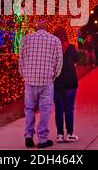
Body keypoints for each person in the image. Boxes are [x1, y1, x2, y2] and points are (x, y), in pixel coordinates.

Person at [18, 21, 63, 149]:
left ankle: (28, 136)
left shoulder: (26, 39)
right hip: (46, 80)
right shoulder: (54, 40)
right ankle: (42, 139)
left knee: (29, 108)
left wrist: (24, 75)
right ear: (47, 28)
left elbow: (21, 59)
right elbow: (59, 61)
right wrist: (53, 76)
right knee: (45, 110)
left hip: (30, 80)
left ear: (35, 28)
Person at [53, 27, 79, 143]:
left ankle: (59, 134)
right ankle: (70, 133)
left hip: (57, 82)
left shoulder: (52, 48)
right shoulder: (71, 48)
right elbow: (76, 61)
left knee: (58, 109)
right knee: (69, 108)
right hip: (70, 82)